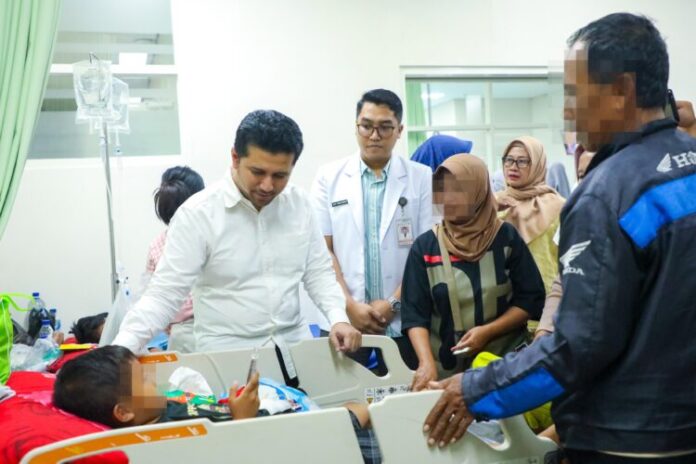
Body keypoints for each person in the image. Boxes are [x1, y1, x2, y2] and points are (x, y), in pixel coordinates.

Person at [423, 13, 696, 462]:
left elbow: (578, 347)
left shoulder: (608, 194)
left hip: (630, 440)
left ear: (621, 90)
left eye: (574, 94)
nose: (568, 111)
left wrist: (475, 389)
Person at [113, 110, 361, 359]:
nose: (267, 186)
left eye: (280, 176)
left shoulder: (299, 205)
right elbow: (164, 295)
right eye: (257, 172)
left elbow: (319, 273)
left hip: (294, 350)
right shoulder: (198, 215)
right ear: (235, 157)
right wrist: (120, 351)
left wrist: (338, 318)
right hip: (228, 357)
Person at [53, 346, 381, 464]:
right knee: (365, 413)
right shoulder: (165, 441)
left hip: (269, 424)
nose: (154, 381)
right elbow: (232, 455)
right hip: (280, 444)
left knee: (357, 409)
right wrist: (242, 421)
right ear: (124, 413)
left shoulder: (158, 411)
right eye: (143, 381)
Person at [401, 154, 544, 391]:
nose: (447, 199)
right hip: (444, 374)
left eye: (457, 190)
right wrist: (426, 363)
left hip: (501, 370)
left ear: (478, 191)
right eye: (442, 190)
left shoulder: (506, 239)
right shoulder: (425, 247)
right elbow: (414, 313)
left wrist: (488, 332)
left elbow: (531, 300)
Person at [311, 89, 432, 369]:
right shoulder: (328, 177)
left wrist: (393, 304)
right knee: (342, 393)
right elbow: (322, 250)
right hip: (344, 320)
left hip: (405, 321)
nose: (374, 136)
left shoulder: (423, 177)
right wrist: (349, 306)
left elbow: (429, 250)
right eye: (366, 126)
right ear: (356, 127)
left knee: (404, 392)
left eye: (385, 127)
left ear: (399, 130)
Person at [145, 166, 205, 353]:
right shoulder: (208, 237)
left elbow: (152, 297)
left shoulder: (157, 244)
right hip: (212, 330)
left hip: (180, 335)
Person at [496, 136, 565, 293]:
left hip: (546, 294)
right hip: (505, 295)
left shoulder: (559, 206)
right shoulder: (496, 204)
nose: (513, 167)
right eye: (509, 160)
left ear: (537, 165)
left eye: (522, 161)